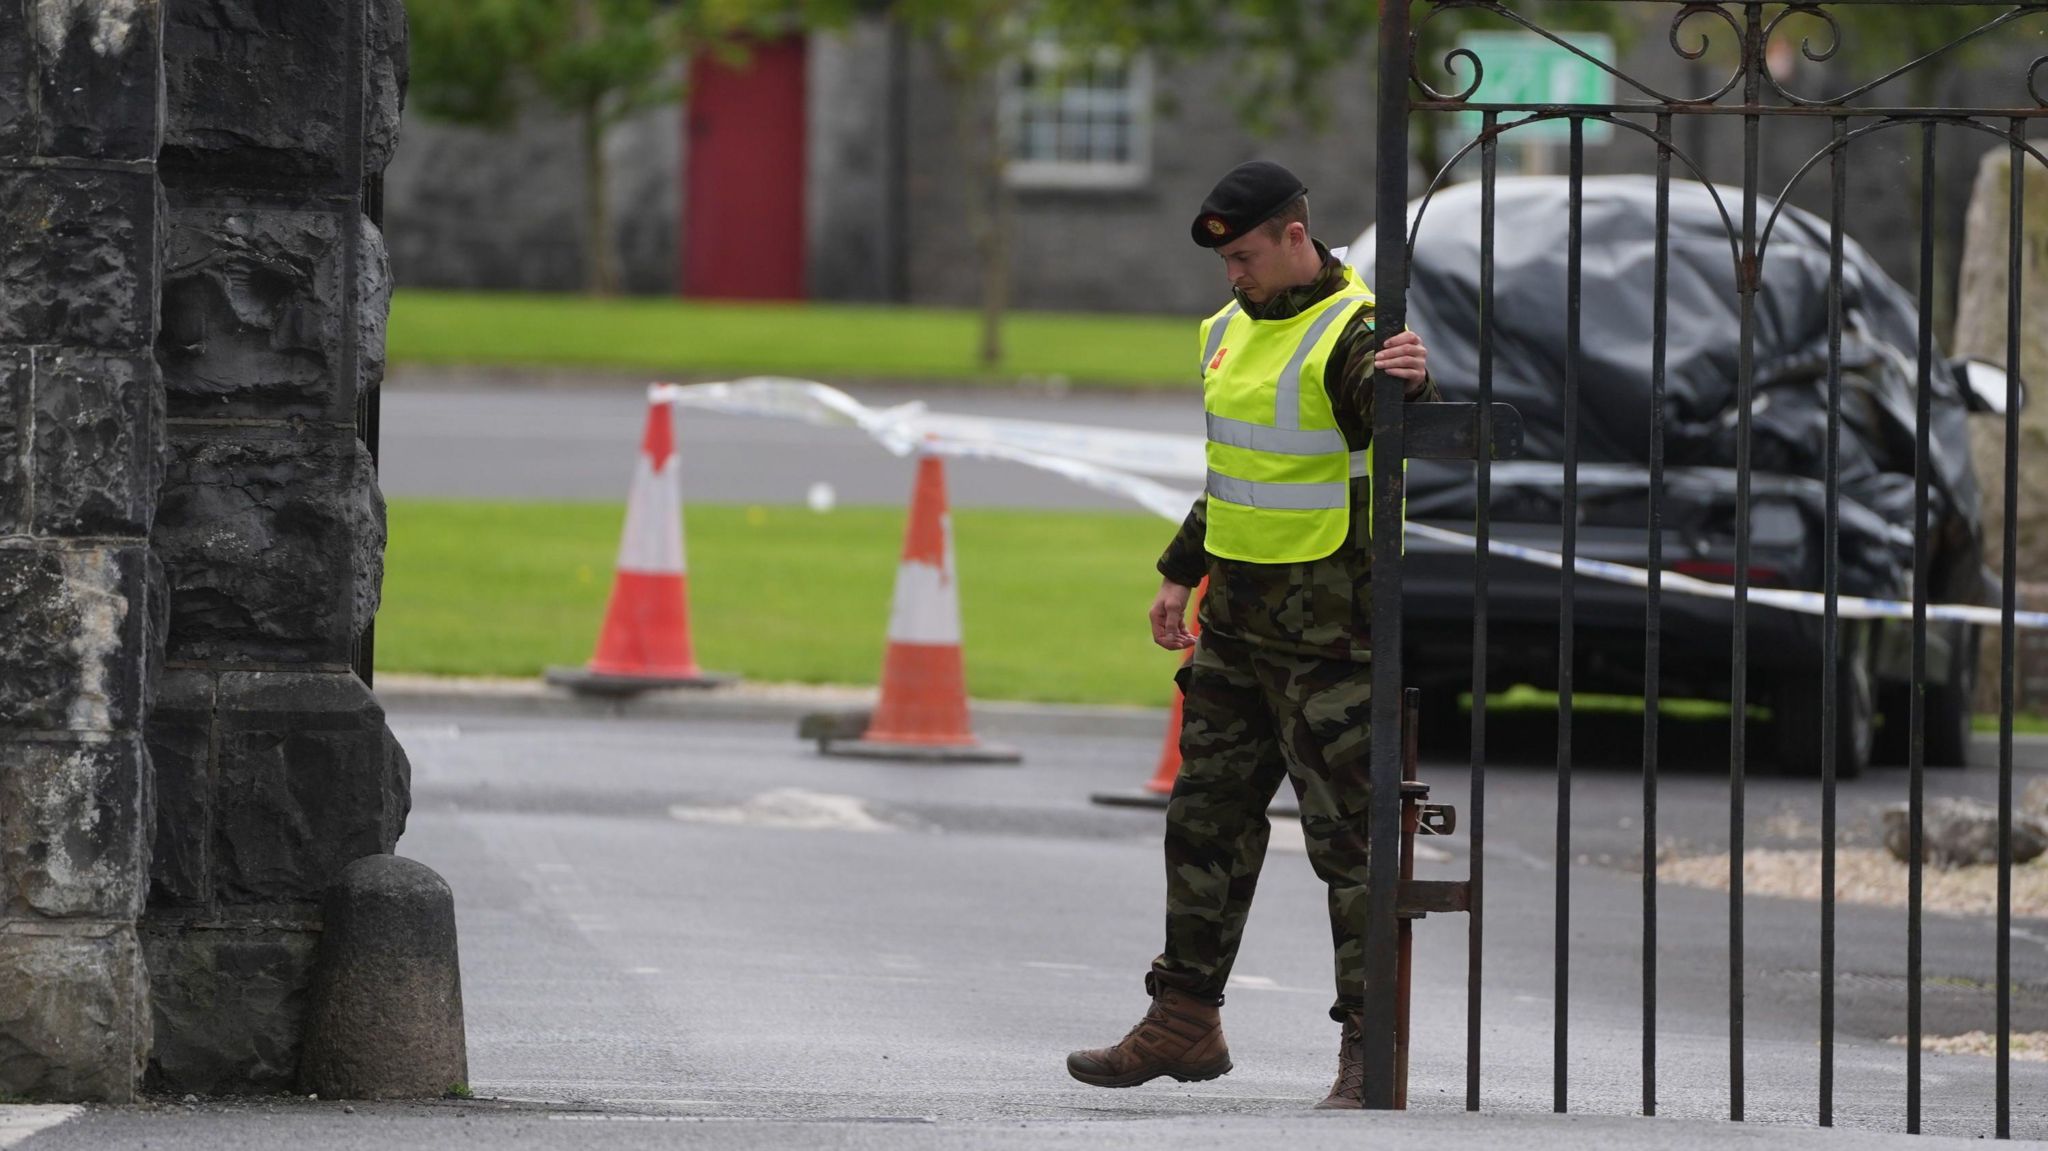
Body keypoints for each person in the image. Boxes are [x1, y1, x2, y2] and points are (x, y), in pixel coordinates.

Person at [1065, 160, 1436, 1110]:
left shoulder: (1354, 331)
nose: (1233, 274)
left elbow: (1393, 429)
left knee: (1348, 846)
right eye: (1225, 259)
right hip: (1235, 628)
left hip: (1332, 639)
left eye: (1244, 255)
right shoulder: (1228, 331)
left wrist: (1414, 384)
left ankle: (1369, 1047)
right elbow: (1236, 471)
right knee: (1205, 826)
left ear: (1294, 236)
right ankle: (1185, 1021)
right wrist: (1180, 571)